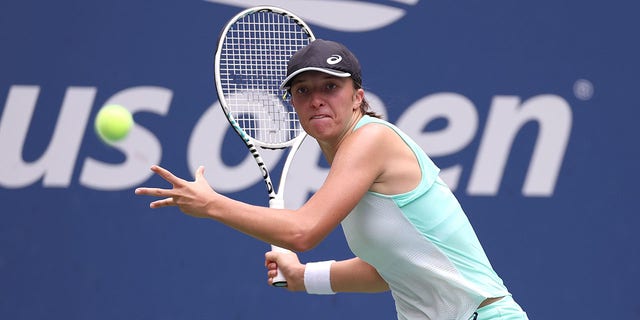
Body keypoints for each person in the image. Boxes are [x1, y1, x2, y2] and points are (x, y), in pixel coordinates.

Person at [135, 39, 528, 320]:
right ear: (292, 104)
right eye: (302, 91)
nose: (316, 99)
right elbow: (387, 270)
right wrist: (305, 278)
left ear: (357, 96)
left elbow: (302, 232)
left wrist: (213, 205)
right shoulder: (350, 160)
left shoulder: (372, 139)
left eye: (331, 87)